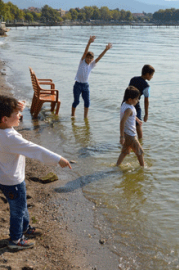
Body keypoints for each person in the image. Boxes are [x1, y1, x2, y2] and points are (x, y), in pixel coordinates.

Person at [0, 95, 71, 250]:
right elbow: (34, 149)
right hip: (13, 181)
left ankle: (25, 228)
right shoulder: (10, 138)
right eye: (16, 114)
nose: (20, 114)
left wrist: (14, 106)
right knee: (17, 210)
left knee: (21, 205)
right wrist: (57, 158)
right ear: (4, 119)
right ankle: (16, 240)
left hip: (5, 178)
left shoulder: (3, 130)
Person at [71, 36, 112, 119]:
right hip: (77, 85)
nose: (89, 59)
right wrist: (89, 42)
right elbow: (85, 51)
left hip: (85, 85)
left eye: (90, 58)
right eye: (88, 57)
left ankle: (85, 117)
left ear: (92, 59)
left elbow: (99, 57)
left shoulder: (91, 65)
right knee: (76, 101)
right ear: (85, 57)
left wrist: (106, 50)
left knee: (87, 102)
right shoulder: (82, 62)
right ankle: (72, 115)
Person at [116, 86, 144, 167]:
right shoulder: (129, 109)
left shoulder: (125, 105)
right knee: (140, 152)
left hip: (126, 134)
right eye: (136, 99)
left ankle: (117, 165)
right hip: (131, 135)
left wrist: (137, 120)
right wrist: (121, 137)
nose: (138, 100)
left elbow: (132, 115)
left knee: (125, 152)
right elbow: (122, 122)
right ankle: (143, 168)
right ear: (130, 99)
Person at [128, 64, 155, 139]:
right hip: (135, 105)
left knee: (128, 123)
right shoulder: (146, 86)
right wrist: (146, 114)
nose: (152, 77)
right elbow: (146, 101)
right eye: (152, 75)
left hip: (126, 103)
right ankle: (140, 141)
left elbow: (128, 91)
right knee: (138, 124)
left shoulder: (133, 79)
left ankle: (127, 139)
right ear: (147, 74)